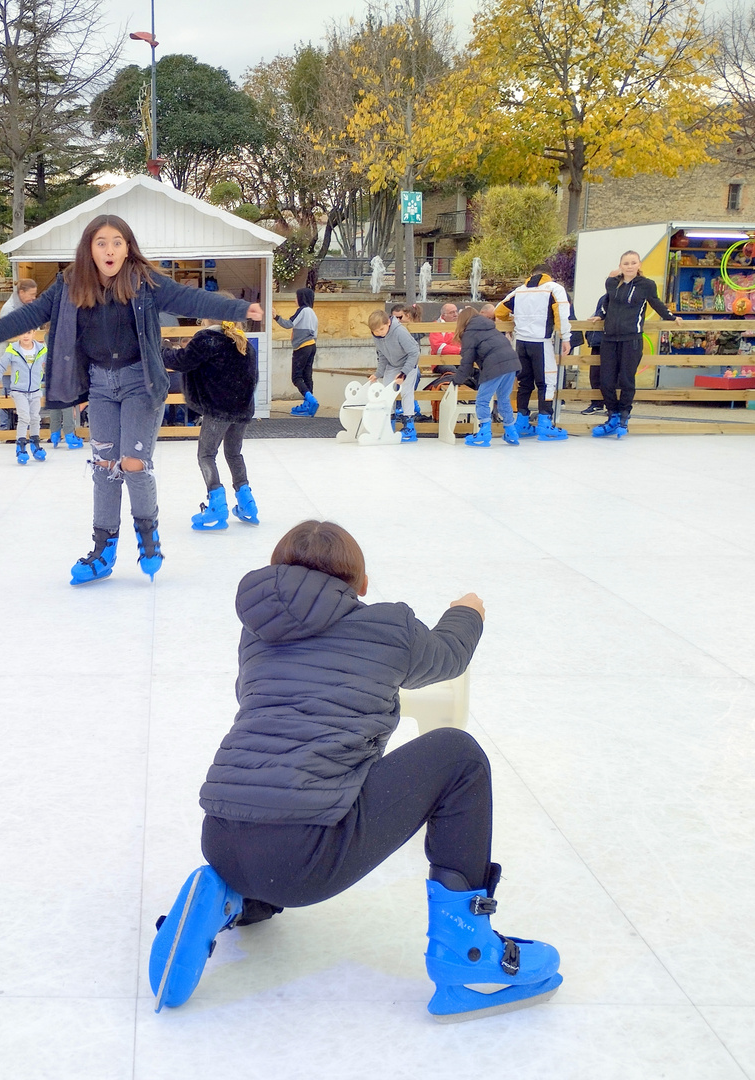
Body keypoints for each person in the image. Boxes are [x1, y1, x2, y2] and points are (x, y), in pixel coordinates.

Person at [148, 520, 561, 1021]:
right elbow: (448, 658)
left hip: (221, 838)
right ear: (360, 584)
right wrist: (465, 612)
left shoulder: (256, 632)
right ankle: (468, 956)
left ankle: (231, 898)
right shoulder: (388, 626)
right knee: (459, 755)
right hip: (303, 861)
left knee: (309, 781)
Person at [0, 213, 262, 585]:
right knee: (104, 465)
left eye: (117, 242)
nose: (110, 249)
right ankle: (104, 550)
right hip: (99, 385)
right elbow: (30, 315)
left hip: (139, 382)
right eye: (101, 242)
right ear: (89, 248)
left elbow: (189, 298)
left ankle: (147, 534)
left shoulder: (143, 282)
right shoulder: (70, 285)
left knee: (133, 462)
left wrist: (236, 309)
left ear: (128, 247)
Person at [163, 321, 259, 530]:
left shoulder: (208, 339)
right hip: (242, 409)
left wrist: (160, 350)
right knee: (234, 454)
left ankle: (217, 505)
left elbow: (182, 361)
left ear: (208, 320)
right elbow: (254, 378)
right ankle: (247, 503)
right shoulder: (244, 342)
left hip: (219, 409)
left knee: (206, 454)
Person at [593, 250, 682, 439]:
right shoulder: (612, 282)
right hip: (609, 338)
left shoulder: (646, 285)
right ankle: (612, 414)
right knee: (606, 381)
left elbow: (656, 303)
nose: (629, 266)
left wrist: (671, 317)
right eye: (626, 263)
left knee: (626, 379)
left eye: (633, 263)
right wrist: (599, 315)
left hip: (631, 339)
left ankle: (624, 415)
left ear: (639, 265)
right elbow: (606, 303)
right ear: (620, 265)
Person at [499, 265, 571, 441]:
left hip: (521, 343)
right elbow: (562, 314)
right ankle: (545, 424)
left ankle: (521, 421)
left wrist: (513, 320)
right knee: (547, 382)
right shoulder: (554, 289)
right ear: (549, 275)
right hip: (541, 343)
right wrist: (566, 337)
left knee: (525, 383)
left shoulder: (520, 290)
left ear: (531, 275)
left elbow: (499, 311)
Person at [453, 306, 520, 447]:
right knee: (504, 399)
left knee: (482, 400)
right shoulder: (490, 328)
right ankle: (511, 432)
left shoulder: (470, 333)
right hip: (512, 363)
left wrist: (456, 380)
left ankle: (484, 433)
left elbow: (466, 362)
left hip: (494, 365)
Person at [0, 329, 48, 464]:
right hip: (19, 391)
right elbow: (1, 365)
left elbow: (52, 364)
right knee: (24, 417)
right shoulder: (13, 350)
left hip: (35, 390)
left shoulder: (41, 349)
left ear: (34, 333)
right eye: (22, 333)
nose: (25, 336)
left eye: (28, 333)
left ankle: (35, 443)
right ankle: (21, 446)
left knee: (35, 418)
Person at [367, 309, 422, 441]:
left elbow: (414, 353)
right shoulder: (378, 336)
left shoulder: (399, 332)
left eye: (381, 329)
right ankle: (387, 424)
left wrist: (404, 373)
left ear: (388, 323)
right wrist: (378, 373)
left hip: (408, 365)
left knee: (406, 393)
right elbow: (382, 355)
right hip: (392, 365)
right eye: (376, 331)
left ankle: (409, 427)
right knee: (386, 393)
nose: (379, 333)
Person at [0, 280, 37, 432]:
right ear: (21, 293)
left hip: (26, 359)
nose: (33, 298)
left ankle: (25, 427)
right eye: (31, 295)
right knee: (8, 395)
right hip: (9, 358)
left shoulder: (28, 307)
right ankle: (5, 429)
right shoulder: (9, 309)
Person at [276, 287, 319, 417]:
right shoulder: (312, 313)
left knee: (296, 377)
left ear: (302, 298)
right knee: (307, 376)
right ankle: (308, 405)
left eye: (296, 297)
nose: (295, 299)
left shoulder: (302, 310)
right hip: (312, 345)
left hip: (302, 347)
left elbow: (289, 324)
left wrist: (275, 317)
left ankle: (311, 400)